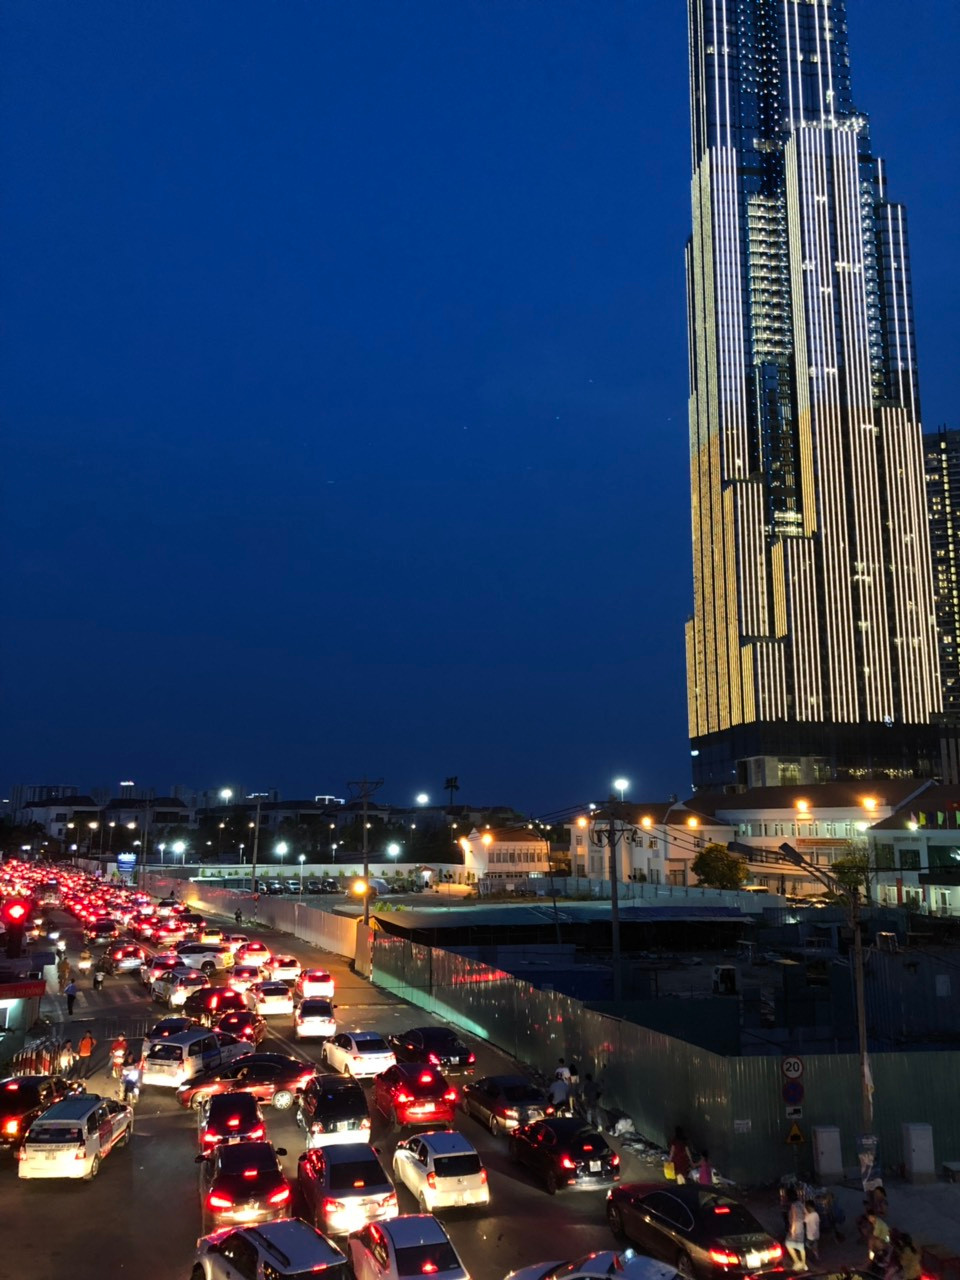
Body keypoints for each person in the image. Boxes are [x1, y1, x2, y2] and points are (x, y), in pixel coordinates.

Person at [785, 1192, 807, 1271]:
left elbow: (794, 1218)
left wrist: (792, 1230)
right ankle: (804, 1264)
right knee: (801, 1246)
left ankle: (797, 1262)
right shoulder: (801, 1204)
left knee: (788, 1244)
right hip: (801, 1226)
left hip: (795, 1227)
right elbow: (806, 1214)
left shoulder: (793, 1205)